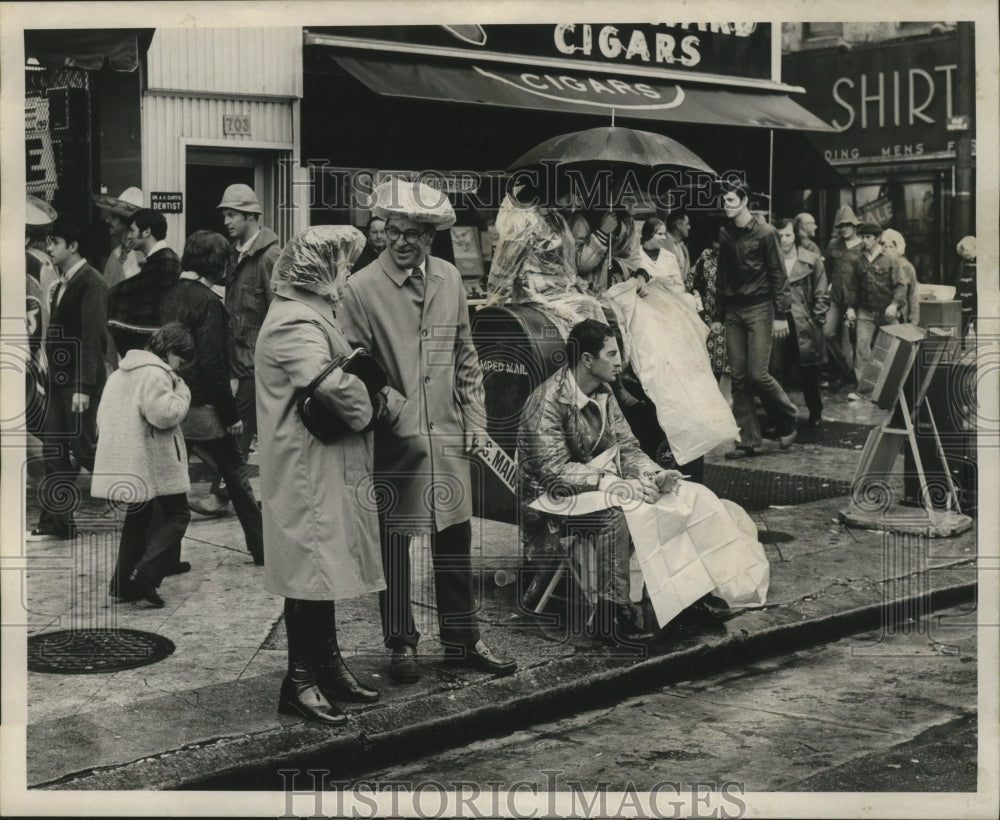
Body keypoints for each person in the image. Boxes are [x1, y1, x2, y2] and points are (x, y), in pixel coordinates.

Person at [340, 179, 517, 683]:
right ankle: (401, 644)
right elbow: (356, 367)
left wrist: (476, 421)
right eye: (394, 231)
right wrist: (396, 413)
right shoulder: (360, 288)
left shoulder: (449, 279)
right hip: (395, 443)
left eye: (414, 233)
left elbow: (465, 355)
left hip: (451, 437)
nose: (402, 241)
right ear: (381, 233)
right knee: (395, 546)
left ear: (430, 237)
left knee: (455, 541)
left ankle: (462, 642)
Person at [255, 225, 388, 725]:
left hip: (319, 463)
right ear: (318, 270)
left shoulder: (306, 313)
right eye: (340, 263)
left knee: (322, 570)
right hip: (304, 470)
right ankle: (301, 680)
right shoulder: (294, 321)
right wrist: (373, 404)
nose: (346, 271)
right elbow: (331, 385)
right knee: (307, 575)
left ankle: (327, 670)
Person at [517, 319, 684, 639]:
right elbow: (552, 471)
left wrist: (654, 475)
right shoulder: (546, 401)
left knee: (667, 496)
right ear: (587, 360)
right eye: (612, 353)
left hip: (589, 486)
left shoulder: (604, 391)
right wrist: (611, 482)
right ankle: (612, 611)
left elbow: (628, 448)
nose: (620, 361)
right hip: (546, 499)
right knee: (615, 512)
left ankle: (676, 597)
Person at [160, 230, 265, 566]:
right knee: (236, 476)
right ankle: (262, 548)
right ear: (215, 263)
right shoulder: (209, 302)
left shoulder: (171, 294)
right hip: (204, 408)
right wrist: (231, 414)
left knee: (171, 483)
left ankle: (164, 558)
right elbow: (213, 365)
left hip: (173, 402)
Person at [92, 322, 195, 608]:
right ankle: (147, 574)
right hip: (153, 461)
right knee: (178, 514)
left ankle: (124, 584)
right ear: (171, 350)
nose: (180, 368)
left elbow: (102, 417)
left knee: (138, 519)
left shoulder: (121, 373)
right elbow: (164, 414)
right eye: (181, 360)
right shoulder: (156, 374)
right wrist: (183, 394)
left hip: (125, 459)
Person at [28, 215, 109, 541]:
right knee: (54, 450)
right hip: (59, 384)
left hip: (76, 385)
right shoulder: (65, 281)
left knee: (87, 449)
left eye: (55, 243)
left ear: (72, 246)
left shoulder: (91, 283)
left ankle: (143, 506)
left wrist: (83, 387)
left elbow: (93, 338)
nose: (49, 248)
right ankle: (58, 523)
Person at [711, 185, 799, 459]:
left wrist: (782, 314)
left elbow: (778, 273)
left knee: (757, 374)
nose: (726, 204)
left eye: (731, 199)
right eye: (724, 200)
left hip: (760, 308)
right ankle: (748, 441)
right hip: (734, 311)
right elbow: (722, 276)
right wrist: (718, 316)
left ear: (745, 200)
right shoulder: (725, 234)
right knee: (738, 377)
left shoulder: (766, 233)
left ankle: (788, 417)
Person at [218, 183, 280, 466]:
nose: (226, 221)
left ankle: (222, 494)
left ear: (251, 216)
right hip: (236, 360)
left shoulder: (269, 256)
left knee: (239, 430)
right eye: (225, 215)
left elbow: (278, 311)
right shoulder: (234, 254)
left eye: (232, 214)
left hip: (256, 363)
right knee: (238, 430)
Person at [773, 218, 829, 428]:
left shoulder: (812, 259)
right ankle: (779, 415)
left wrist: (817, 318)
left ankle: (815, 412)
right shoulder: (770, 260)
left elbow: (822, 291)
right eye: (780, 236)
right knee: (777, 371)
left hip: (805, 321)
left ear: (795, 235)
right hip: (778, 319)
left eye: (788, 235)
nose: (784, 240)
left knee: (810, 371)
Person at [107, 208, 181, 356]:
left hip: (161, 343)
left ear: (146, 232)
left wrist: (109, 294)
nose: (129, 236)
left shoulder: (165, 260)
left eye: (132, 231)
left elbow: (134, 288)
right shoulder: (161, 258)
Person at [853, 221, 906, 384]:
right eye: (862, 237)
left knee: (895, 346)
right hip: (865, 310)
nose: (864, 240)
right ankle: (865, 386)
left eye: (868, 237)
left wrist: (895, 305)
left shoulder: (891, 259)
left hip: (886, 310)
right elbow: (854, 287)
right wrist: (850, 308)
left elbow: (901, 285)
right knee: (862, 347)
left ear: (877, 238)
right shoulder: (859, 260)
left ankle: (893, 384)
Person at [685, 220, 729, 400]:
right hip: (708, 320)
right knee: (708, 366)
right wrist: (696, 299)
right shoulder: (707, 257)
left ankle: (727, 408)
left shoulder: (736, 258)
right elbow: (690, 280)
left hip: (730, 320)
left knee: (729, 368)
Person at [823, 206, 864, 386]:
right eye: (841, 225)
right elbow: (826, 271)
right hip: (835, 298)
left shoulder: (863, 246)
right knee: (828, 333)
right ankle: (844, 371)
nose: (844, 229)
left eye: (848, 225)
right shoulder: (833, 245)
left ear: (855, 226)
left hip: (856, 301)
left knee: (854, 338)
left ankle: (855, 376)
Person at [92, 186, 145, 289]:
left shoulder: (140, 255)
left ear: (126, 221)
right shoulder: (115, 254)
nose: (108, 220)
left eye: (113, 216)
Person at [880, 229, 919, 325]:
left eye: (891, 246)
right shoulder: (878, 265)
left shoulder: (907, 267)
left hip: (901, 316)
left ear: (898, 247)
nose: (888, 250)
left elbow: (913, 295)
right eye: (885, 246)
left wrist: (914, 320)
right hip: (882, 314)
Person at [638, 218, 684, 289]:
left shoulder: (670, 257)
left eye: (664, 234)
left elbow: (680, 286)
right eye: (660, 234)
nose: (664, 238)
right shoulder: (635, 255)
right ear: (648, 234)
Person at [955, 236, 977, 344]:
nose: (965, 256)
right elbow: (959, 284)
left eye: (966, 252)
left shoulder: (981, 263)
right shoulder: (963, 263)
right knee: (962, 329)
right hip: (963, 303)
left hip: (975, 302)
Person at [662, 210, 691, 279]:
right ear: (679, 225)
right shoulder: (661, 244)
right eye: (687, 224)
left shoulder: (684, 248)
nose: (689, 227)